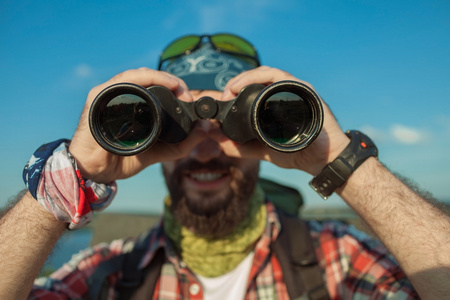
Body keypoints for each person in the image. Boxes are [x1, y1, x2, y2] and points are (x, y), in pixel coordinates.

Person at [0, 33, 449, 300]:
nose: (205, 149)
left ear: (260, 129)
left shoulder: (340, 259)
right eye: (178, 123)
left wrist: (337, 157)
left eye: (230, 124)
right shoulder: (107, 273)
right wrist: (74, 173)